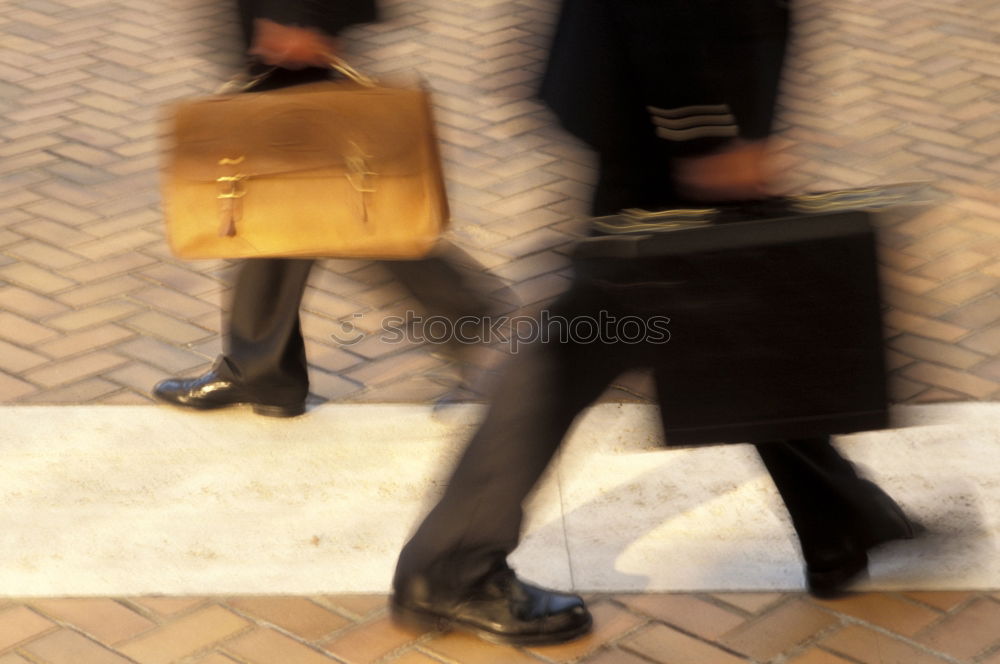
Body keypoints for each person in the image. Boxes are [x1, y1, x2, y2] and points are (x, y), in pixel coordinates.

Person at [390, 0, 917, 646]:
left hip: (673, 91)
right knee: (595, 331)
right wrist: (705, 137)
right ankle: (449, 566)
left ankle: (835, 515)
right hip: (666, 99)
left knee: (733, 299)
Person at [154, 0, 507, 416]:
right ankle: (264, 369)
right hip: (284, 20)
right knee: (305, 196)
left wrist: (300, 16)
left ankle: (475, 327)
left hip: (293, 20)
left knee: (325, 192)